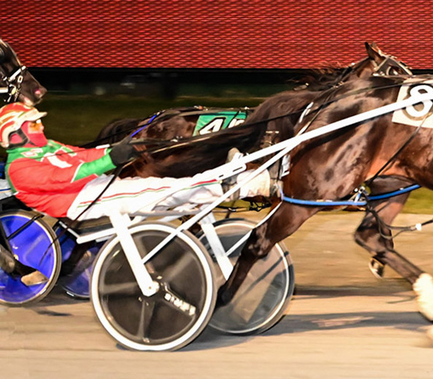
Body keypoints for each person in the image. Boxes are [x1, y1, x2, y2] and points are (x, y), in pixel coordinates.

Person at [0, 102, 272, 285]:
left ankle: (229, 186)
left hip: (93, 189)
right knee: (158, 189)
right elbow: (65, 177)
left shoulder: (45, 148)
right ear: (15, 134)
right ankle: (236, 183)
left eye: (38, 123)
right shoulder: (19, 168)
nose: (41, 127)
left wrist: (118, 149)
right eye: (34, 125)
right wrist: (110, 161)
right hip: (80, 202)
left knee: (174, 193)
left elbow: (82, 155)